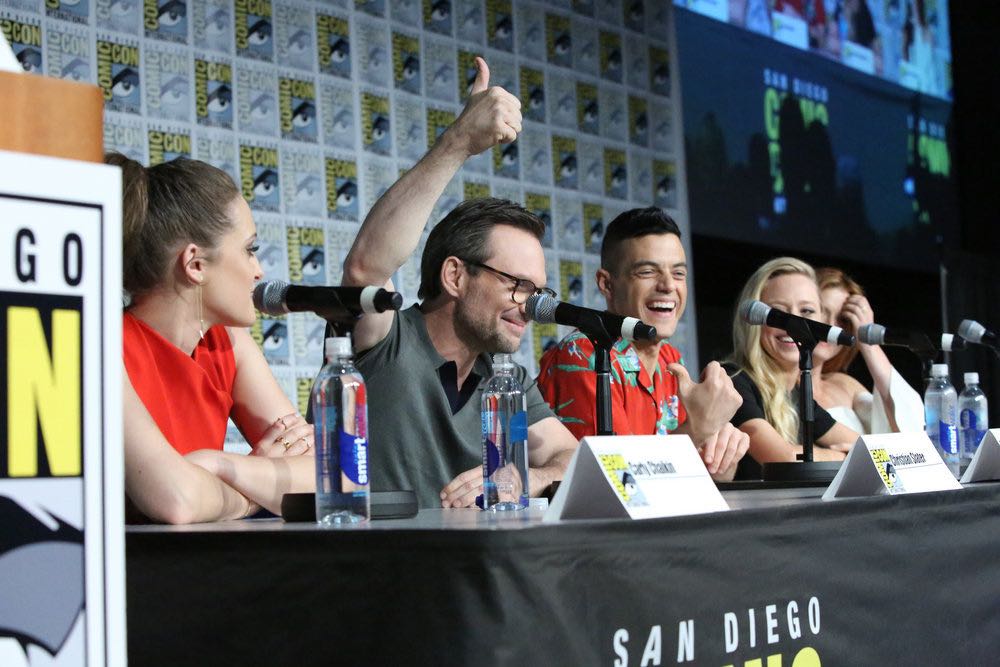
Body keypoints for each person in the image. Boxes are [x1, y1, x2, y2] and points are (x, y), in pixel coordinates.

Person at [340, 57, 577, 509]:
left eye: (537, 290)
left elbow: (571, 455)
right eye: (516, 284)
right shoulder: (387, 338)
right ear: (455, 275)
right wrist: (458, 143)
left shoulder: (508, 381)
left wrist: (530, 476)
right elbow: (364, 267)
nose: (530, 306)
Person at [112, 153, 315, 524]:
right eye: (249, 250)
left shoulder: (228, 343)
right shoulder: (102, 345)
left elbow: (335, 478)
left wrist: (218, 464)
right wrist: (254, 492)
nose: (260, 271)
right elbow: (178, 501)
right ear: (196, 264)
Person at [536, 207, 748, 481]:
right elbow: (620, 481)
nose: (668, 285)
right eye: (648, 272)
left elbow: (708, 480)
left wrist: (723, 453)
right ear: (607, 284)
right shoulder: (585, 352)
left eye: (679, 273)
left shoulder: (671, 359)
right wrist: (698, 429)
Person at [725, 257, 859, 479]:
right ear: (754, 319)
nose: (794, 323)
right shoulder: (733, 379)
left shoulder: (797, 392)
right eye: (778, 312)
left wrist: (845, 454)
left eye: (806, 311)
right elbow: (784, 460)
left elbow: (867, 450)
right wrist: (843, 457)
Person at [811, 267, 924, 434]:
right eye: (821, 311)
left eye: (843, 319)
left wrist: (867, 341)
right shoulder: (775, 388)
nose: (831, 326)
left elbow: (910, 429)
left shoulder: (844, 385)